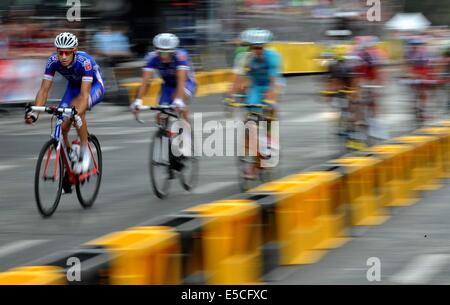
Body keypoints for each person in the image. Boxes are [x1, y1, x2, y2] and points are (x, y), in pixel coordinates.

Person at [25, 32, 105, 177]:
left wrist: (77, 113)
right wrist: (34, 113)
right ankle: (70, 153)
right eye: (60, 52)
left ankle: (85, 152)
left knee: (77, 110)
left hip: (93, 87)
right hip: (73, 88)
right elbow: (44, 90)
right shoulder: (52, 61)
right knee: (62, 125)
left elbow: (84, 95)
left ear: (74, 52)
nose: (63, 56)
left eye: (67, 53)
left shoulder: (85, 61)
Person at [130, 33, 196, 163]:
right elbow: (145, 82)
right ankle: (166, 141)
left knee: (180, 107)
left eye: (167, 54)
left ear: (173, 52)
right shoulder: (152, 57)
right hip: (167, 84)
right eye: (161, 53)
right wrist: (138, 100)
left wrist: (178, 100)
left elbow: (181, 81)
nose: (164, 56)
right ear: (156, 51)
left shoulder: (181, 56)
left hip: (186, 82)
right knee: (161, 114)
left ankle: (187, 141)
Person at [230, 28, 283, 178]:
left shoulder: (273, 57)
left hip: (270, 86)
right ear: (249, 47)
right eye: (254, 47)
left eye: (260, 47)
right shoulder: (244, 58)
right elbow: (237, 78)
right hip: (255, 87)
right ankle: (251, 159)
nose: (257, 50)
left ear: (265, 46)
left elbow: (274, 82)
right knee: (251, 119)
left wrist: (270, 100)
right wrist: (231, 97)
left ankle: (269, 141)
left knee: (268, 116)